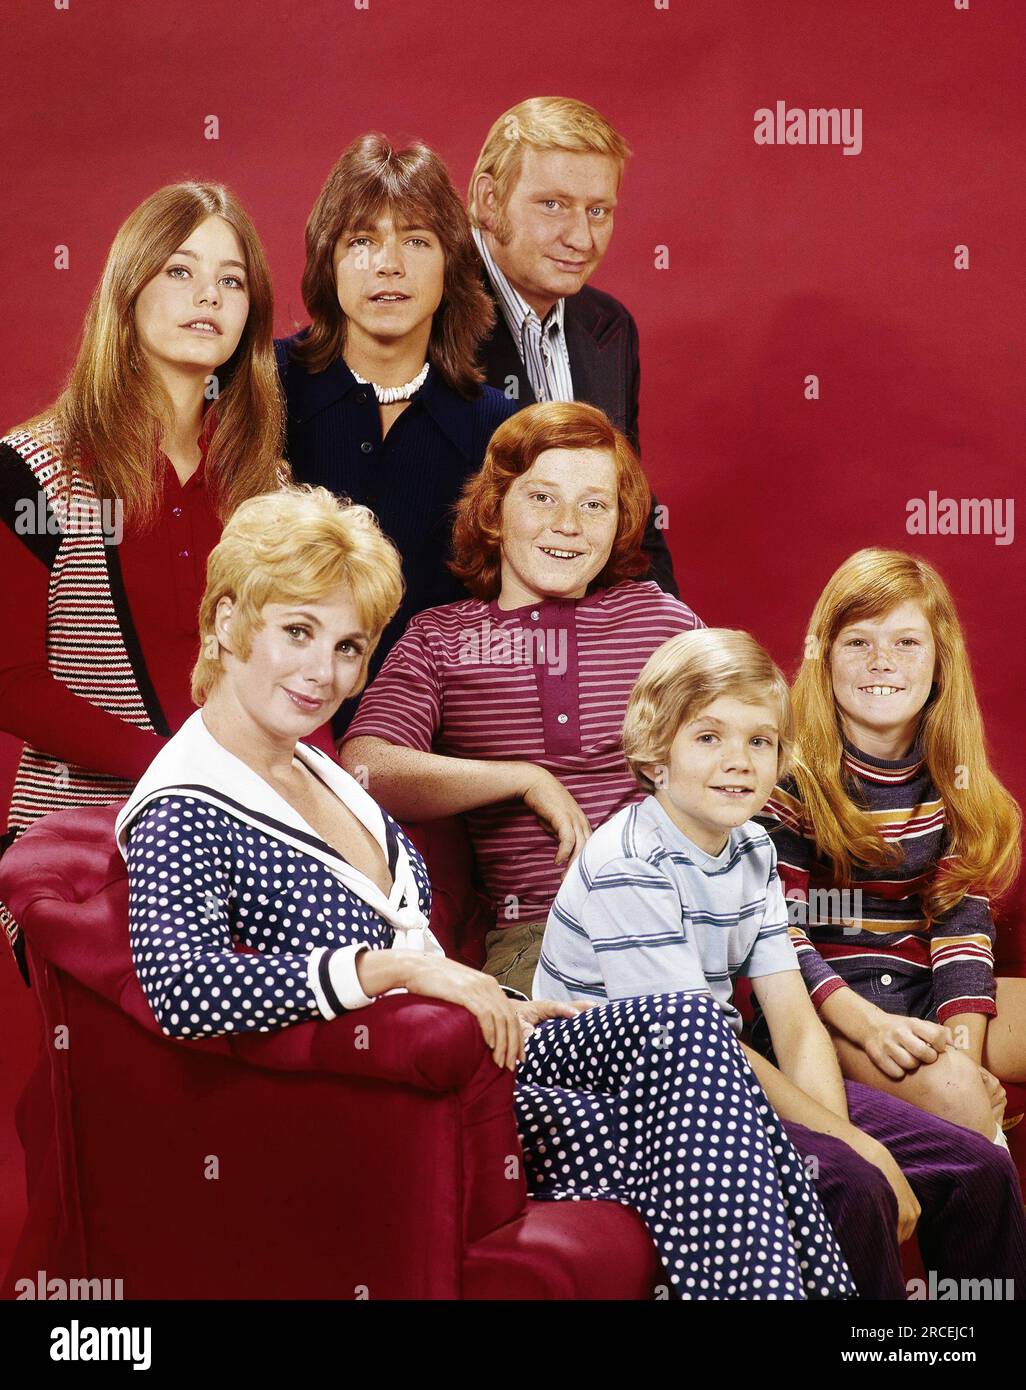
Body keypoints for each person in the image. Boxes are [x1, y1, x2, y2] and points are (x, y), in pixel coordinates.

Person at [115, 484, 855, 1300]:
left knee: (692, 1028)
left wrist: (504, 1000)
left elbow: (411, 934)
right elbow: (182, 989)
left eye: (349, 646)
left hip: (488, 1047)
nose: (323, 672)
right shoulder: (185, 802)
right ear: (227, 621)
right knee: (725, 1141)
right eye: (298, 631)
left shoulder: (317, 769)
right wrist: (400, 971)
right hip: (404, 1097)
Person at [537, 626, 1026, 1299]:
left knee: (975, 1170)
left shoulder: (751, 849)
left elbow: (794, 1018)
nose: (737, 762)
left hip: (721, 1074)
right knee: (853, 1184)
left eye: (759, 741)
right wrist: (853, 1153)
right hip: (639, 1092)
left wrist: (844, 1133)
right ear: (656, 753)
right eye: (709, 737)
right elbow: (698, 1048)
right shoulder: (631, 862)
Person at [0, 180, 285, 980]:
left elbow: (287, 671)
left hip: (244, 843)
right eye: (180, 271)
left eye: (231, 281)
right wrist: (175, 767)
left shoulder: (267, 487)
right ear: (127, 291)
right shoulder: (32, 468)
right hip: (80, 846)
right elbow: (9, 681)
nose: (208, 296)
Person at [340, 402, 702, 997]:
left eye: (594, 505)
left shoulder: (661, 619)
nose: (568, 524)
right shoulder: (441, 638)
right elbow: (364, 768)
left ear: (620, 522)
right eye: (542, 497)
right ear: (495, 508)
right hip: (542, 939)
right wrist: (521, 778)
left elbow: (750, 740)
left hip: (683, 923)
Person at [755, 548, 1026, 1141]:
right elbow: (778, 932)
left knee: (963, 1069)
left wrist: (963, 1047)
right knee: (952, 1090)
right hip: (830, 1006)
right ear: (824, 657)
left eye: (907, 643)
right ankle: (984, 1161)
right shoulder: (787, 778)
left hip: (924, 987)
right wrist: (870, 1026)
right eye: (858, 642)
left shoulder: (955, 780)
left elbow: (960, 927)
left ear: (940, 661)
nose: (882, 661)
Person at [275, 134, 518, 737]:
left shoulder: (501, 426)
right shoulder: (262, 384)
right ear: (328, 262)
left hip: (437, 744)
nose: (388, 264)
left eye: (416, 240)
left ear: (452, 265)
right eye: (361, 241)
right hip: (272, 731)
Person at [468, 95, 677, 596]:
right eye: (553, 205)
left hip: (589, 630)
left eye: (598, 211)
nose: (582, 239)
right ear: (489, 201)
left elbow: (631, 514)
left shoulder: (609, 325)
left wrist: (677, 635)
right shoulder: (423, 311)